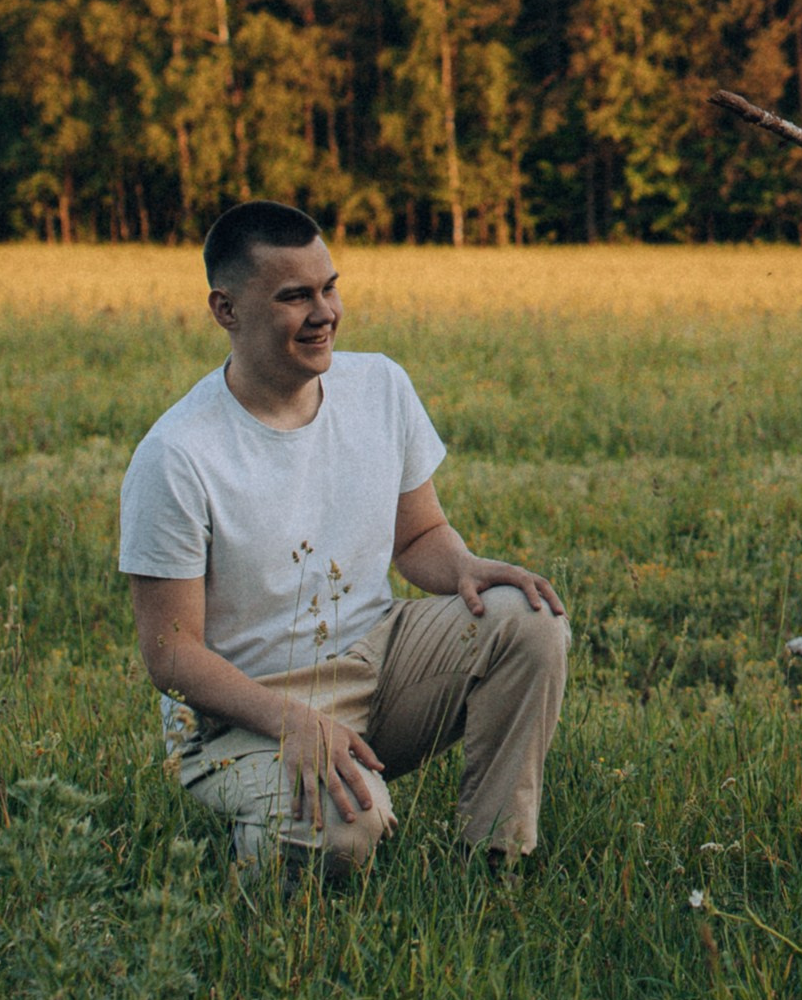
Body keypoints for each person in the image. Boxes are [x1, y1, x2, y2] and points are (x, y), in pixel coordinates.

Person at [118, 200, 568, 875]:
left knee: (528, 621)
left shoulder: (379, 385)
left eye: (330, 287)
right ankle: (243, 854)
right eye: (294, 296)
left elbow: (418, 536)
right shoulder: (177, 455)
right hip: (242, 715)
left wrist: (468, 566)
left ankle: (496, 859)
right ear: (226, 310)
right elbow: (170, 654)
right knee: (347, 837)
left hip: (375, 661)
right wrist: (291, 721)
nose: (324, 312)